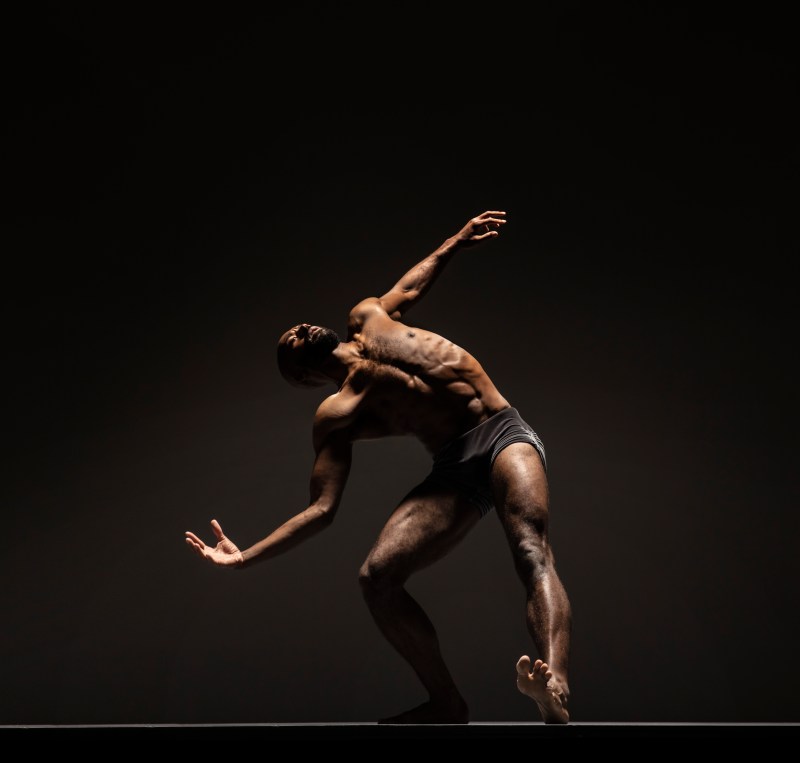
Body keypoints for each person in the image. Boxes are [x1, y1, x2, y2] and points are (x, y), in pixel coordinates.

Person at [185, 210, 572, 724]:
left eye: (297, 327)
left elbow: (409, 286)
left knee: (530, 547)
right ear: (302, 377)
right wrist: (244, 558)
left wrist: (455, 241)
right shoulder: (338, 413)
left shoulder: (368, 315)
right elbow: (321, 509)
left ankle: (554, 687)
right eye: (290, 342)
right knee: (377, 578)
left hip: (501, 431)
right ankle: (446, 702)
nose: (299, 329)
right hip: (454, 470)